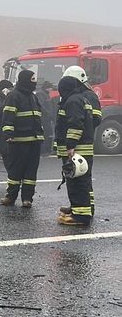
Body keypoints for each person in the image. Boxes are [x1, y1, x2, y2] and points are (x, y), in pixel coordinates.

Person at [0, 70, 44, 208]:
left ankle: (27, 198)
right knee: (15, 170)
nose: (34, 82)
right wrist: (9, 134)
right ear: (25, 80)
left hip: (34, 140)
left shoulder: (33, 96)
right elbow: (8, 116)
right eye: (32, 79)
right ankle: (11, 197)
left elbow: (39, 114)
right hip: (19, 140)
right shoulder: (13, 96)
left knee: (31, 171)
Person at [55, 75, 96, 226]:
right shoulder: (81, 99)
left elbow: (75, 124)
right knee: (83, 182)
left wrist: (70, 145)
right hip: (83, 149)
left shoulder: (72, 101)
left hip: (77, 149)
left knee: (77, 183)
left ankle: (80, 216)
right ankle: (81, 209)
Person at [35, 81, 56, 155]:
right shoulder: (40, 94)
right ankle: (43, 151)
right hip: (43, 118)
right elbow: (41, 106)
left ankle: (47, 150)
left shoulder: (46, 94)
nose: (51, 90)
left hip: (47, 118)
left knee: (48, 134)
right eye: (50, 88)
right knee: (45, 134)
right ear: (47, 88)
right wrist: (48, 114)